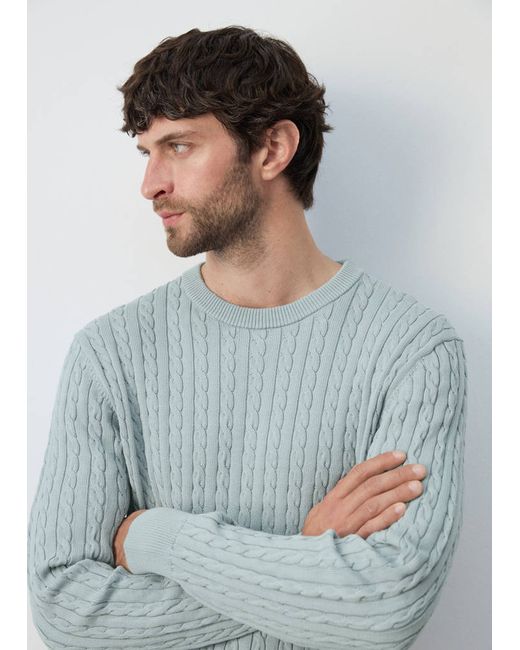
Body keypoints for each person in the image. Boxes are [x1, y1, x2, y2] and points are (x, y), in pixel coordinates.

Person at [27, 26, 468, 650]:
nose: (150, 184)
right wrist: (307, 556)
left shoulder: (411, 349)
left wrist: (157, 539)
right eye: (147, 152)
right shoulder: (110, 354)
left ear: (272, 149)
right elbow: (65, 610)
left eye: (179, 146)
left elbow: (389, 607)